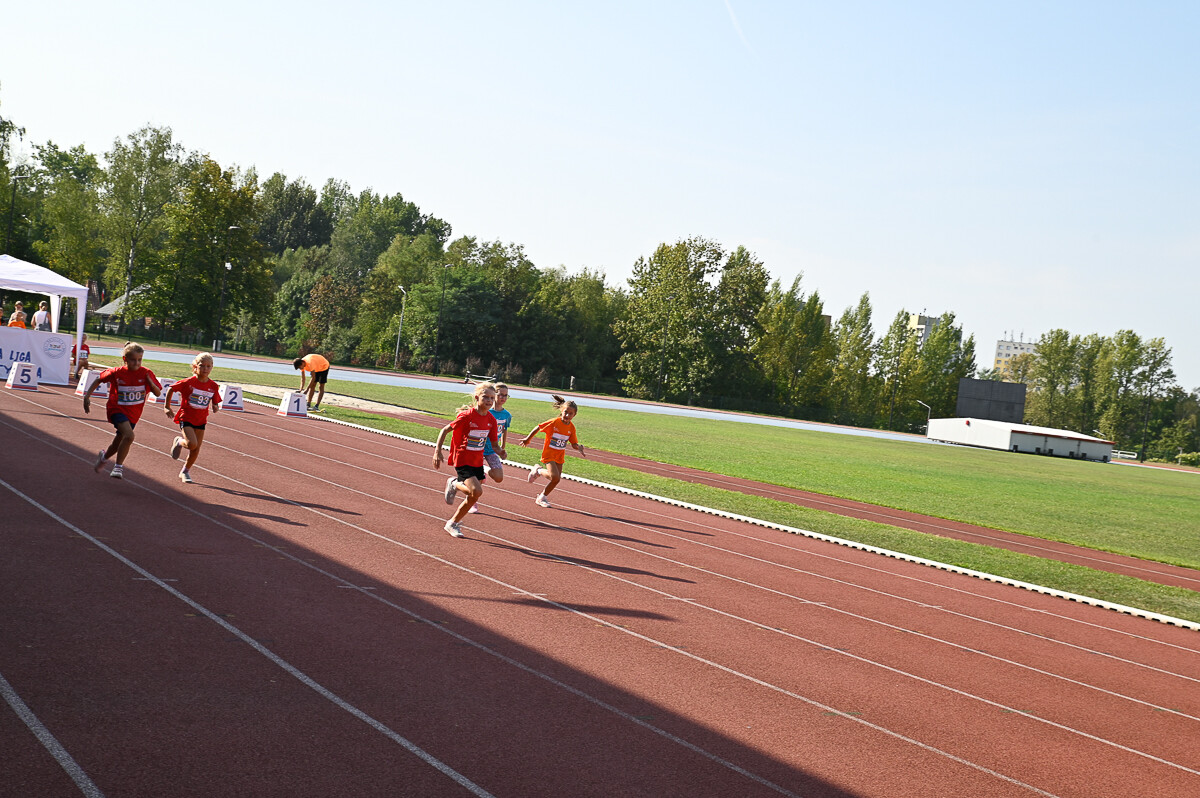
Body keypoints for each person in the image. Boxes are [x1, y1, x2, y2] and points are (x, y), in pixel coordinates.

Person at [83, 342, 162, 480]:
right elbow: (98, 379)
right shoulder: (117, 372)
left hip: (134, 413)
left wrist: (150, 383)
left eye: (139, 360)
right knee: (130, 436)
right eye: (133, 360)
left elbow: (158, 393)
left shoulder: (146, 373)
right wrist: (87, 396)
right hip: (116, 409)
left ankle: (104, 457)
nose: (136, 363)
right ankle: (118, 467)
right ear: (125, 359)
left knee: (119, 441)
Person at [432, 382, 502, 538]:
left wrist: (500, 452)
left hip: (477, 461)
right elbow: (445, 430)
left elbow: (494, 444)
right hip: (463, 459)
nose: (489, 401)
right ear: (477, 398)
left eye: (492, 398)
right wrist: (437, 452)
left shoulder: (491, 420)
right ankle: (454, 483)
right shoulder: (467, 416)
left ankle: (452, 523)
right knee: (476, 491)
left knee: (474, 496)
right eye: (486, 397)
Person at [164, 352, 221, 484]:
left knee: (196, 449)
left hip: (201, 420)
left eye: (208, 366)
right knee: (191, 444)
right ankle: (179, 441)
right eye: (202, 365)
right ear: (195, 366)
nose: (205, 369)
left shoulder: (213, 385)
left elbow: (214, 398)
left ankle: (185, 471)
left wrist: (215, 405)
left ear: (212, 367)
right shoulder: (188, 382)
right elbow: (171, 389)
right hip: (187, 418)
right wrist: (167, 406)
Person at [520, 394, 586, 508]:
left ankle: (542, 497)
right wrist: (527, 439)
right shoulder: (554, 422)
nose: (567, 415)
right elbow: (539, 427)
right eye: (565, 412)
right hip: (549, 454)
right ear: (561, 410)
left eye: (570, 413)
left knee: (556, 479)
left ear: (575, 415)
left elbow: (573, 443)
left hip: (559, 456)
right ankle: (538, 471)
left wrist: (579, 447)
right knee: (554, 476)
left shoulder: (571, 428)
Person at [467, 381, 512, 515]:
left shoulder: (506, 415)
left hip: (492, 450)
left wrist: (502, 447)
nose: (503, 398)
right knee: (478, 479)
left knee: (498, 477)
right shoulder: (486, 411)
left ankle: (485, 469)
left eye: (506, 395)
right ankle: (473, 503)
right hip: (478, 448)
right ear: (494, 394)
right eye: (500, 394)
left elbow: (504, 430)